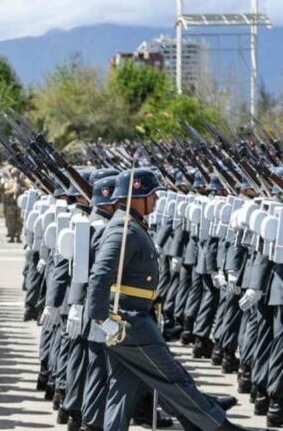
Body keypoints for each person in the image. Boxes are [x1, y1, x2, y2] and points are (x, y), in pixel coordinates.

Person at [86, 168, 245, 431]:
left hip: (131, 317)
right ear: (136, 196)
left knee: (122, 388)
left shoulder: (132, 224)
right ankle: (218, 427)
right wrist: (102, 318)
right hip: (128, 323)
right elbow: (100, 275)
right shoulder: (124, 228)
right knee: (173, 380)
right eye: (152, 194)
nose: (157, 199)